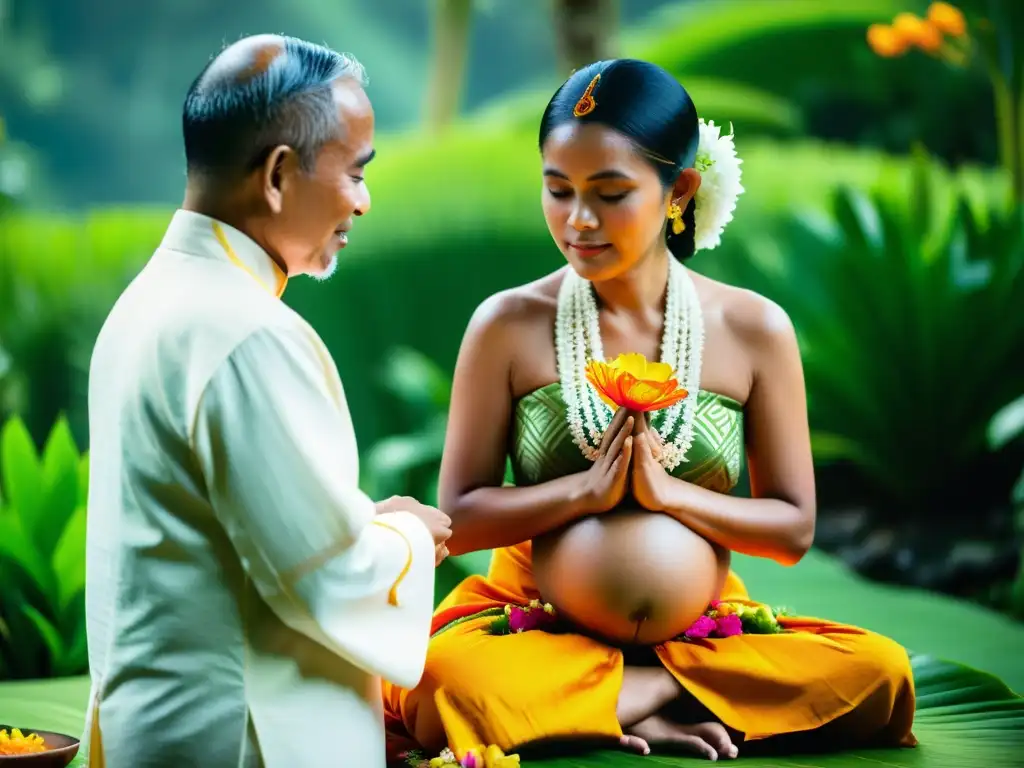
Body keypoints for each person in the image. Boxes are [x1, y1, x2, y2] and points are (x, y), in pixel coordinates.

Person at [382, 59, 916, 763]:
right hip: (532, 632)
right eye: (558, 190)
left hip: (705, 633)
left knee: (881, 674)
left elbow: (791, 528)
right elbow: (463, 515)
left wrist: (666, 495)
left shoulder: (754, 329)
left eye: (609, 193)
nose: (578, 220)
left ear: (680, 190)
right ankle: (657, 697)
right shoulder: (506, 324)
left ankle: (631, 692)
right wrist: (584, 492)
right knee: (449, 684)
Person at [82, 35, 451, 768]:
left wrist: (355, 525)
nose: (364, 202)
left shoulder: (147, 302)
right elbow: (324, 577)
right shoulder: (246, 331)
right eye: (354, 171)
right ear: (280, 174)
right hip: (241, 736)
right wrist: (409, 536)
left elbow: (230, 531)